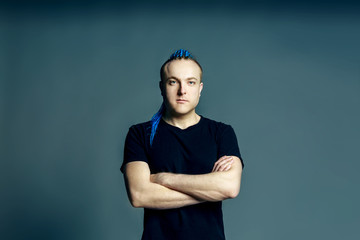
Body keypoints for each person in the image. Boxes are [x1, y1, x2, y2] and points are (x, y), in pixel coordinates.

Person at [121, 49, 244, 240]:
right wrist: (210, 189)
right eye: (173, 82)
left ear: (200, 88)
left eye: (190, 82)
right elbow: (139, 195)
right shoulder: (140, 134)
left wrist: (164, 179)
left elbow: (229, 188)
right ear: (162, 87)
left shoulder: (221, 133)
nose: (182, 90)